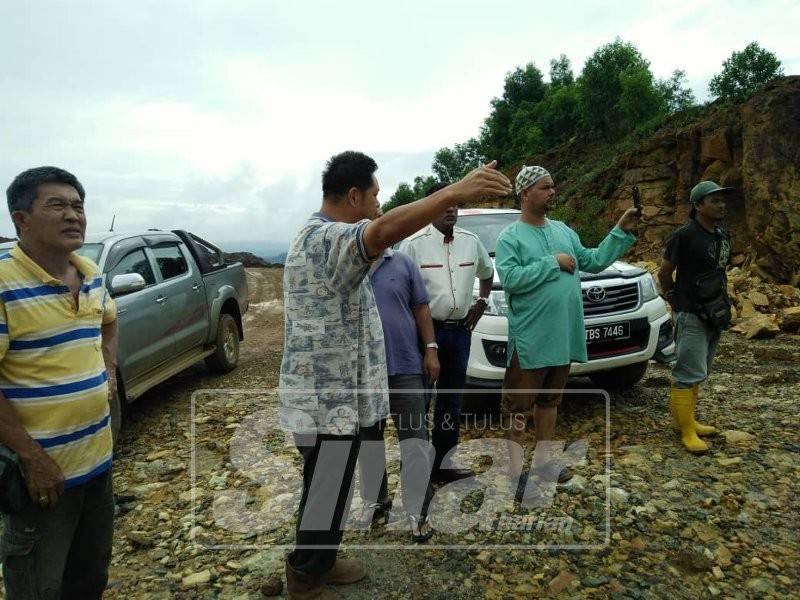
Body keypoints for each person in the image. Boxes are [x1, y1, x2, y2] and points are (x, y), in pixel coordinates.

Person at [280, 151, 510, 598]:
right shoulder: (325, 238)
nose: (379, 205)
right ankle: (306, 579)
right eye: (375, 196)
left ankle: (318, 562)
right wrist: (457, 190)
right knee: (326, 485)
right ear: (353, 196)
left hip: (338, 398)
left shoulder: (322, 239)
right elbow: (383, 231)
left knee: (330, 484)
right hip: (328, 401)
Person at [0, 166, 118, 599]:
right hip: (41, 479)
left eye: (78, 206)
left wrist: (108, 367)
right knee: (37, 587)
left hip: (97, 465)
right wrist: (32, 458)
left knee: (88, 581)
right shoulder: (2, 281)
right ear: (21, 219)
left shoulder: (90, 273)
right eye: (57, 205)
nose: (74, 215)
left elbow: (109, 322)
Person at [495, 165, 639, 497]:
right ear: (526, 193)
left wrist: (620, 229)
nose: (552, 192)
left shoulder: (563, 230)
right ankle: (514, 472)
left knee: (550, 401)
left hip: (563, 335)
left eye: (553, 186)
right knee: (517, 406)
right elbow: (512, 280)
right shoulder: (510, 237)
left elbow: (593, 260)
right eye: (546, 188)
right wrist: (552, 262)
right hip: (530, 339)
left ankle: (545, 462)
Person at [400, 185, 494, 483]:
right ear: (430, 206)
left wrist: (482, 302)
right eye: (444, 204)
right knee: (421, 401)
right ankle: (418, 470)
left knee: (451, 400)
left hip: (460, 333)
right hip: (425, 336)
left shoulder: (471, 241)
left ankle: (444, 464)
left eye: (455, 203)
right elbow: (402, 291)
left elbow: (487, 272)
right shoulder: (414, 244)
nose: (450, 209)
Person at [355, 205, 438, 542]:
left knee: (415, 440)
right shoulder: (347, 267)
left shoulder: (402, 262)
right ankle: (376, 501)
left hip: (405, 364)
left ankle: (418, 511)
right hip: (363, 373)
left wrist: (431, 349)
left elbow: (421, 306)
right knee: (368, 440)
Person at [658, 181, 732, 454]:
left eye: (723, 200)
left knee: (701, 370)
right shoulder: (685, 235)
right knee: (687, 372)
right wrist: (673, 299)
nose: (721, 204)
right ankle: (685, 430)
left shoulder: (721, 234)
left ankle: (687, 420)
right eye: (714, 200)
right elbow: (665, 272)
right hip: (690, 311)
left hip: (714, 310)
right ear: (698, 205)